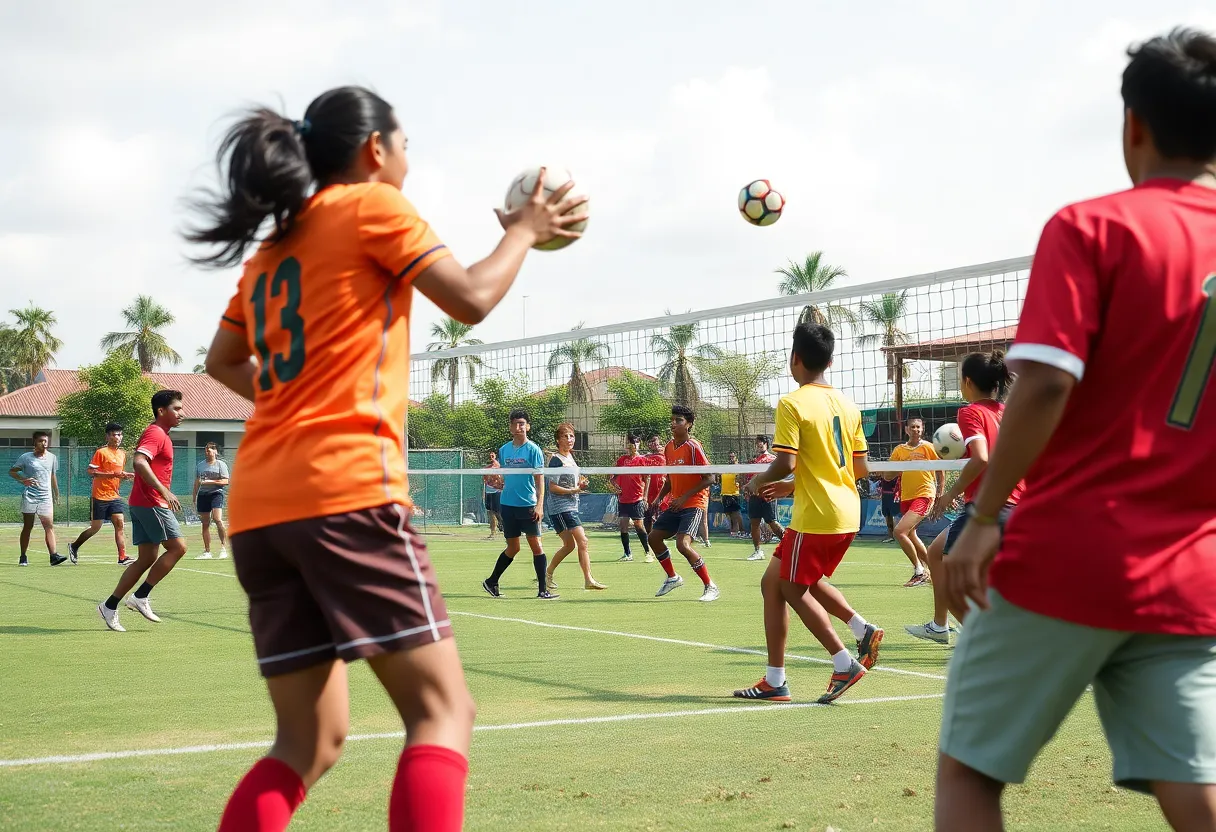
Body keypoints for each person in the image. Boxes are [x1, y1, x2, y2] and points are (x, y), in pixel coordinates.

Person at [193, 87, 584, 832]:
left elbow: (222, 360)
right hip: (345, 490)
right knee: (442, 712)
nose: (407, 159)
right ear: (376, 150)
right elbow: (470, 298)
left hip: (260, 507)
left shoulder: (273, 247)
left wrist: (295, 397)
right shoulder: (374, 205)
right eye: (405, 145)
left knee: (306, 741)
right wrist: (524, 233)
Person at [935, 30, 1216, 832]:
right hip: (1191, 574)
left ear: (1134, 125)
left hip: (1068, 558)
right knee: (1195, 790)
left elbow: (1050, 381)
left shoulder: (1094, 227)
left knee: (969, 772)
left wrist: (983, 518)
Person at [733, 323, 882, 704]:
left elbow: (784, 461)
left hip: (817, 515)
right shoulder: (848, 405)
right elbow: (859, 469)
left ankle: (843, 662)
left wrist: (757, 482)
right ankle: (776, 679)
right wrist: (796, 484)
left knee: (791, 587)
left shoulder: (793, 403)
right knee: (773, 583)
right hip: (846, 511)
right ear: (830, 362)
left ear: (794, 358)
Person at [903, 353, 1025, 646]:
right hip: (1015, 503)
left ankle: (989, 645)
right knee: (935, 553)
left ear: (967, 382)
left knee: (957, 583)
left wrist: (949, 495)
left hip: (988, 506)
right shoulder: (1007, 412)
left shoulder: (970, 412)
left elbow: (981, 458)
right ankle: (939, 625)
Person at [97, 390, 189, 630]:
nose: (182, 413)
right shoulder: (156, 433)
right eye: (177, 408)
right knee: (178, 548)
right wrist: (164, 491)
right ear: (161, 411)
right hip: (151, 502)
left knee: (147, 557)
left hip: (141, 502)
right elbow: (139, 461)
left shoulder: (161, 434)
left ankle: (109, 606)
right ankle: (141, 596)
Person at [482, 409, 559, 600]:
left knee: (536, 546)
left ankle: (542, 590)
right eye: (515, 423)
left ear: (528, 426)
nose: (519, 427)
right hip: (508, 505)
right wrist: (498, 482)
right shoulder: (504, 450)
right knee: (513, 548)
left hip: (528, 505)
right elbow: (504, 477)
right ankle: (491, 581)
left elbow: (539, 480)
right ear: (510, 427)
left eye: (522, 423)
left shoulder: (534, 450)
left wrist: (539, 505)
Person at [646, 406, 719, 602]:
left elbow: (710, 478)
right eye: (672, 420)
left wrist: (684, 498)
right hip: (676, 503)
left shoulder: (693, 446)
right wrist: (658, 498)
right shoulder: (668, 447)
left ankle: (710, 586)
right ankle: (673, 577)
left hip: (693, 503)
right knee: (653, 538)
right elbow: (670, 479)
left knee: (682, 544)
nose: (673, 423)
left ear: (689, 425)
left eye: (678, 420)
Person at [544, 423, 606, 591]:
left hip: (571, 504)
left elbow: (571, 483)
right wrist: (573, 490)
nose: (570, 439)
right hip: (560, 507)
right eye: (565, 436)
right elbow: (552, 487)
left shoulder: (570, 457)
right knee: (582, 541)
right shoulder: (556, 460)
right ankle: (588, 580)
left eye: (571, 436)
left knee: (569, 545)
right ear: (558, 440)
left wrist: (580, 484)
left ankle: (547, 573)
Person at [886, 418, 944, 587]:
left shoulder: (928, 447)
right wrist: (897, 468)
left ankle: (920, 571)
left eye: (919, 427)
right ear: (906, 430)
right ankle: (935, 572)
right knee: (911, 534)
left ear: (922, 429)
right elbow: (887, 475)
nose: (916, 430)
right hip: (906, 496)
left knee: (899, 531)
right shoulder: (899, 450)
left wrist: (940, 493)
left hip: (925, 494)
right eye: (912, 427)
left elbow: (941, 469)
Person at [69, 422, 136, 566]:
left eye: (119, 434)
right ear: (107, 436)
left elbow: (117, 473)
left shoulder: (122, 454)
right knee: (95, 528)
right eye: (114, 434)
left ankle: (122, 557)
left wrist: (125, 475)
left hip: (114, 496)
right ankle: (74, 546)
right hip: (99, 495)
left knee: (119, 523)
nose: (117, 437)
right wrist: (112, 474)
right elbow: (91, 471)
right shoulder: (101, 452)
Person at [9, 430, 65, 566]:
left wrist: (56, 494)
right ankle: (23, 556)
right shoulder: (26, 457)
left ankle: (53, 556)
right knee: (28, 526)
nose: (44, 443)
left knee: (49, 526)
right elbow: (12, 471)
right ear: (34, 442)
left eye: (46, 441)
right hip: (30, 497)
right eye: (41, 441)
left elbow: (53, 476)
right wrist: (23, 480)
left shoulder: (52, 457)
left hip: (46, 497)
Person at [609, 433, 652, 561]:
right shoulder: (622, 460)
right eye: (630, 443)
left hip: (637, 499)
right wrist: (615, 487)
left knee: (639, 525)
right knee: (623, 526)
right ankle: (627, 554)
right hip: (623, 499)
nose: (633, 445)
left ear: (639, 444)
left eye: (635, 442)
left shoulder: (642, 460)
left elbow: (647, 478)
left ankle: (648, 552)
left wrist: (645, 497)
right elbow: (612, 477)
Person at [745, 435, 786, 560]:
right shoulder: (754, 461)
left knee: (772, 521)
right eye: (757, 443)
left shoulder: (772, 459)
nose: (758, 445)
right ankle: (758, 551)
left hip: (767, 495)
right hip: (754, 496)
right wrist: (747, 488)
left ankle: (789, 546)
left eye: (760, 443)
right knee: (754, 523)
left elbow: (777, 475)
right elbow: (750, 478)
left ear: (766, 444)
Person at [192, 442, 230, 559]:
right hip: (203, 495)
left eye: (209, 450)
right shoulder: (200, 465)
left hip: (216, 493)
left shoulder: (221, 465)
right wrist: (194, 498)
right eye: (206, 450)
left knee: (217, 519)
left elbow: (225, 481)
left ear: (215, 451)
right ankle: (207, 551)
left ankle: (223, 548)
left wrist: (210, 482)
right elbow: (197, 482)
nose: (207, 452)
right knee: (205, 523)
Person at [641, 433, 666, 554]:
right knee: (647, 519)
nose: (654, 444)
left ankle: (661, 540)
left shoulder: (665, 454)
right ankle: (650, 540)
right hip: (648, 493)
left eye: (655, 441)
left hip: (661, 492)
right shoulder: (645, 457)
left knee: (661, 518)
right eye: (651, 442)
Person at [718, 452, 745, 537]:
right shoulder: (724, 469)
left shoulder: (738, 468)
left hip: (734, 494)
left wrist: (742, 489)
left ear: (736, 458)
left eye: (733, 456)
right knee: (728, 515)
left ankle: (742, 532)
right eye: (730, 456)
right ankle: (734, 532)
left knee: (737, 514)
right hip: (724, 494)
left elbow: (741, 480)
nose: (731, 458)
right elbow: (719, 480)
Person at [483, 450, 503, 538]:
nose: (491, 457)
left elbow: (501, 480)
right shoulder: (486, 468)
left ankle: (503, 525)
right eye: (489, 455)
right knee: (490, 512)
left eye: (492, 455)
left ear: (495, 456)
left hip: (497, 492)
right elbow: (485, 481)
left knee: (497, 512)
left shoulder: (499, 467)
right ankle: (493, 532)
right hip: (488, 492)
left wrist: (498, 485)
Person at [877, 473, 898, 543]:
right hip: (885, 497)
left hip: (893, 496)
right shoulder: (883, 474)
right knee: (887, 516)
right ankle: (890, 536)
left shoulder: (897, 474)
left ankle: (896, 536)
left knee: (893, 516)